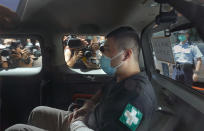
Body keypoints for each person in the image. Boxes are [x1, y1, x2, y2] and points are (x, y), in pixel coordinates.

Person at [6, 26, 157, 131]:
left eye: (107, 50)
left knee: (16, 130)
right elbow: (103, 92)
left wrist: (77, 124)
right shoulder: (121, 77)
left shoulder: (138, 99)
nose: (102, 55)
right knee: (38, 112)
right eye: (102, 49)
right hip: (87, 121)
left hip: (83, 127)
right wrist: (87, 107)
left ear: (126, 55)